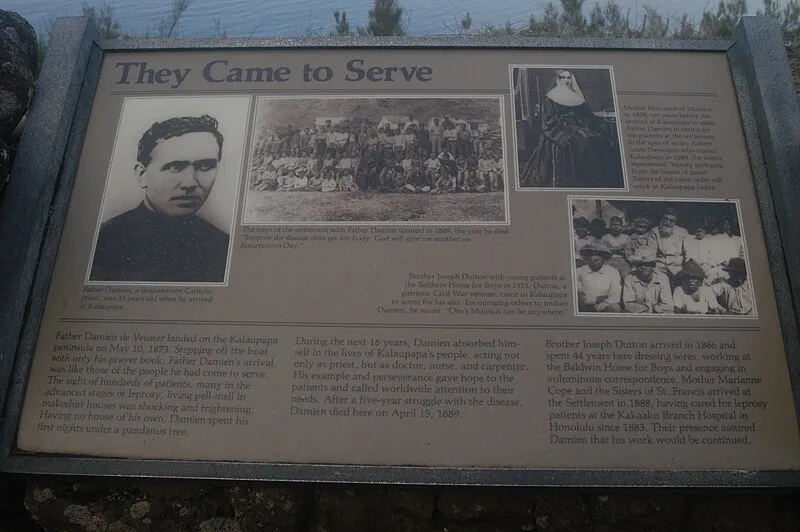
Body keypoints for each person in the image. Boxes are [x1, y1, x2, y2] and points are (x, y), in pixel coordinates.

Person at [90, 114, 229, 283]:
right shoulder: (101, 243)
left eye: (205, 166)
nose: (190, 183)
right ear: (142, 175)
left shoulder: (223, 246)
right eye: (175, 167)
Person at [519, 70, 615, 188]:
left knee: (593, 139)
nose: (566, 80)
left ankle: (590, 179)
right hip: (558, 131)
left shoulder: (576, 96)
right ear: (558, 80)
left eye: (568, 78)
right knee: (578, 142)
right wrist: (570, 129)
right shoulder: (550, 98)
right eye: (563, 77)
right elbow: (548, 121)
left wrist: (583, 124)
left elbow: (586, 115)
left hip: (577, 127)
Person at [576, 242, 622, 313]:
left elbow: (615, 296)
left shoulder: (613, 272)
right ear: (588, 257)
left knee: (614, 308)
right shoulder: (579, 271)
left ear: (603, 258)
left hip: (605, 306)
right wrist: (594, 299)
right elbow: (578, 295)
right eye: (593, 255)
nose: (596, 258)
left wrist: (598, 307)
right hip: (584, 307)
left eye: (599, 255)